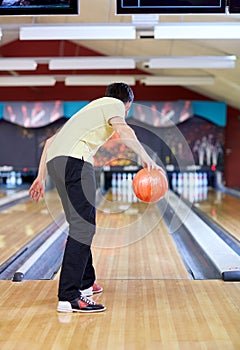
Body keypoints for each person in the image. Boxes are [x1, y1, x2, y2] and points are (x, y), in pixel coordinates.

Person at [29, 82, 163, 313]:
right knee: (84, 227)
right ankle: (69, 297)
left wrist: (41, 177)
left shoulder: (90, 109)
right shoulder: (115, 105)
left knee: (79, 225)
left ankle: (86, 282)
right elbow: (124, 130)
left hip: (56, 164)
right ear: (127, 104)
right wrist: (144, 156)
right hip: (76, 162)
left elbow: (50, 143)